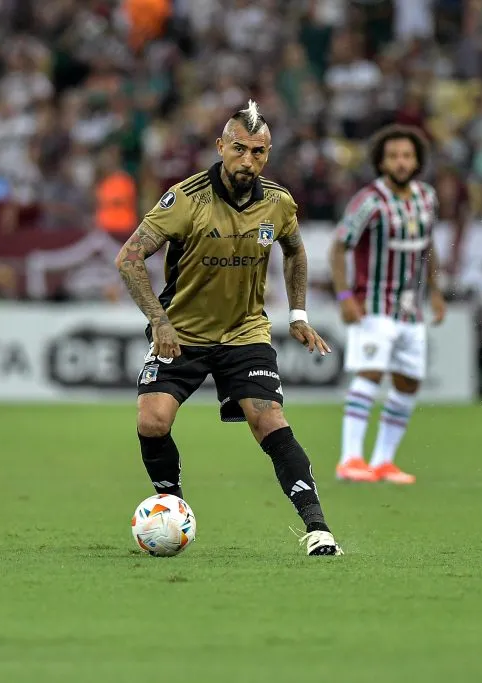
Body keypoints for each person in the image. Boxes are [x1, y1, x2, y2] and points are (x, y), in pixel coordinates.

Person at [114, 100, 343, 557]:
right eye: (239, 149)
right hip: (181, 331)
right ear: (220, 146)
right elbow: (129, 257)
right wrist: (158, 322)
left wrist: (297, 314)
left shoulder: (277, 202)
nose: (248, 161)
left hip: (245, 333)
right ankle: (172, 507)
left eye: (259, 152)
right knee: (152, 421)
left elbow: (295, 251)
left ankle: (318, 529)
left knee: (269, 420)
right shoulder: (185, 199)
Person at [330, 124, 446, 485]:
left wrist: (436, 293)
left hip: (410, 310)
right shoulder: (369, 200)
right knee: (370, 374)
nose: (400, 162)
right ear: (381, 161)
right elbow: (338, 246)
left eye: (407, 156)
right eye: (393, 156)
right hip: (373, 305)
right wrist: (345, 295)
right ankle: (350, 459)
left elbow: (428, 247)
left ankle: (383, 461)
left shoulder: (426, 197)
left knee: (409, 382)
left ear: (417, 161)